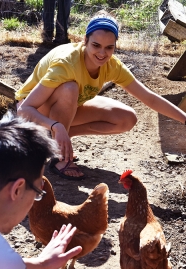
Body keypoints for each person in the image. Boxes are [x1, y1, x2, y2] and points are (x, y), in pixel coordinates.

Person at [16, 10, 186, 181]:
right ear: (85, 41)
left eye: (109, 47)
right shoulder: (66, 63)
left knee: (127, 118)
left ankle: (64, 136)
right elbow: (24, 109)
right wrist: (56, 126)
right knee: (70, 89)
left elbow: (149, 97)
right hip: (35, 112)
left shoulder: (112, 65)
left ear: (115, 46)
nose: (102, 53)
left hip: (67, 107)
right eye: (96, 45)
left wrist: (184, 118)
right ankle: (59, 156)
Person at [0, 112, 82, 269]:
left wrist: (41, 263)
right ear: (17, 190)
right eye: (38, 192)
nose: (36, 199)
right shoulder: (1, 263)